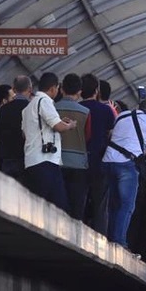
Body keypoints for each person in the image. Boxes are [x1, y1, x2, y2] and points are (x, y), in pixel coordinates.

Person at [103, 98, 146, 247]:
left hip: (108, 161)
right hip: (127, 164)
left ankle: (109, 237)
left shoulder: (121, 116)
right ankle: (118, 241)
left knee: (112, 204)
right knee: (126, 205)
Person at [23, 72, 76, 211]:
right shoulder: (45, 101)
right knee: (60, 207)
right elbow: (58, 127)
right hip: (45, 161)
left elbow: (25, 133)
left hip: (31, 161)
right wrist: (70, 125)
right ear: (53, 88)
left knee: (36, 205)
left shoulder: (28, 107)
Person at [81, 73, 117, 232]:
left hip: (79, 161)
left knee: (79, 199)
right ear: (97, 91)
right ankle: (100, 236)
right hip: (100, 159)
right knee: (101, 203)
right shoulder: (106, 110)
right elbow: (112, 132)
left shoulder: (78, 108)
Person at [55, 73, 91, 221]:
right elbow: (88, 136)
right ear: (79, 92)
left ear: (61, 89)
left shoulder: (53, 108)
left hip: (57, 161)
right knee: (76, 207)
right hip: (79, 164)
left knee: (58, 205)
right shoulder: (85, 112)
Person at [0, 75, 33, 180]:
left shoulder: (1, 110)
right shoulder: (31, 108)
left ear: (14, 89)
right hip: (26, 159)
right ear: (30, 89)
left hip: (7, 159)